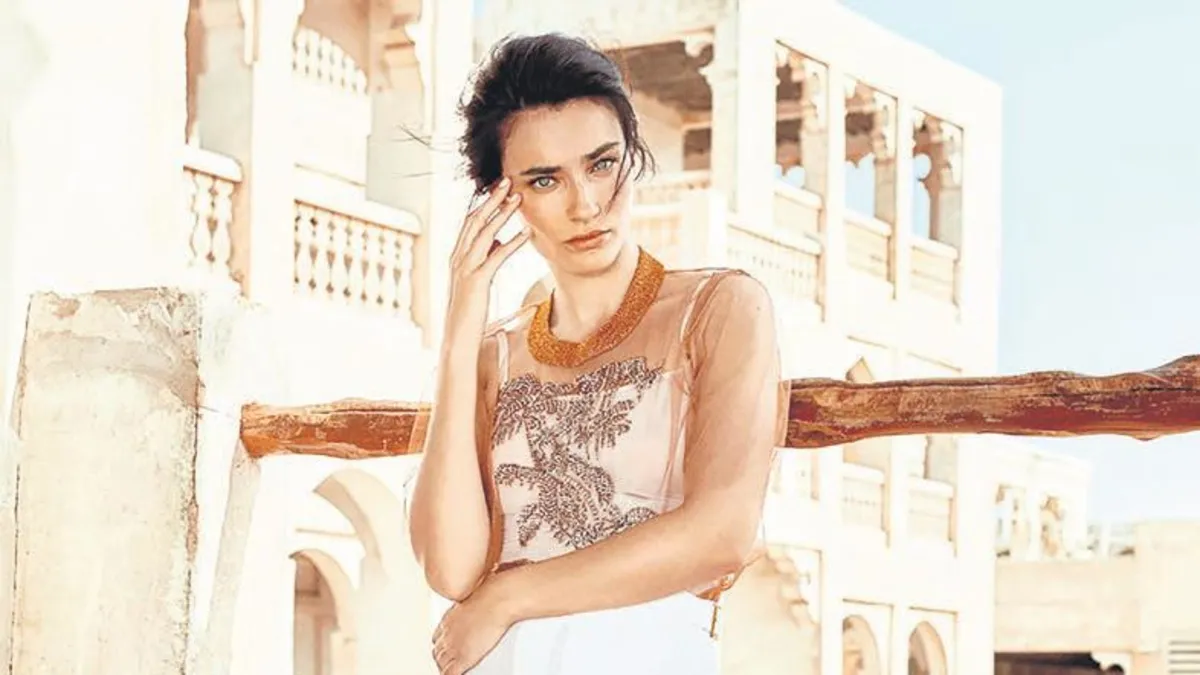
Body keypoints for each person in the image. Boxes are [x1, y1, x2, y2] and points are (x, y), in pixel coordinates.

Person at [407, 32, 788, 675]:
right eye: (544, 179)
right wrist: (461, 324)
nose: (584, 205)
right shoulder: (494, 355)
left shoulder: (719, 309)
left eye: (602, 164)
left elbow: (722, 533)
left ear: (632, 160)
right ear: (503, 196)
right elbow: (451, 568)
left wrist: (508, 597)